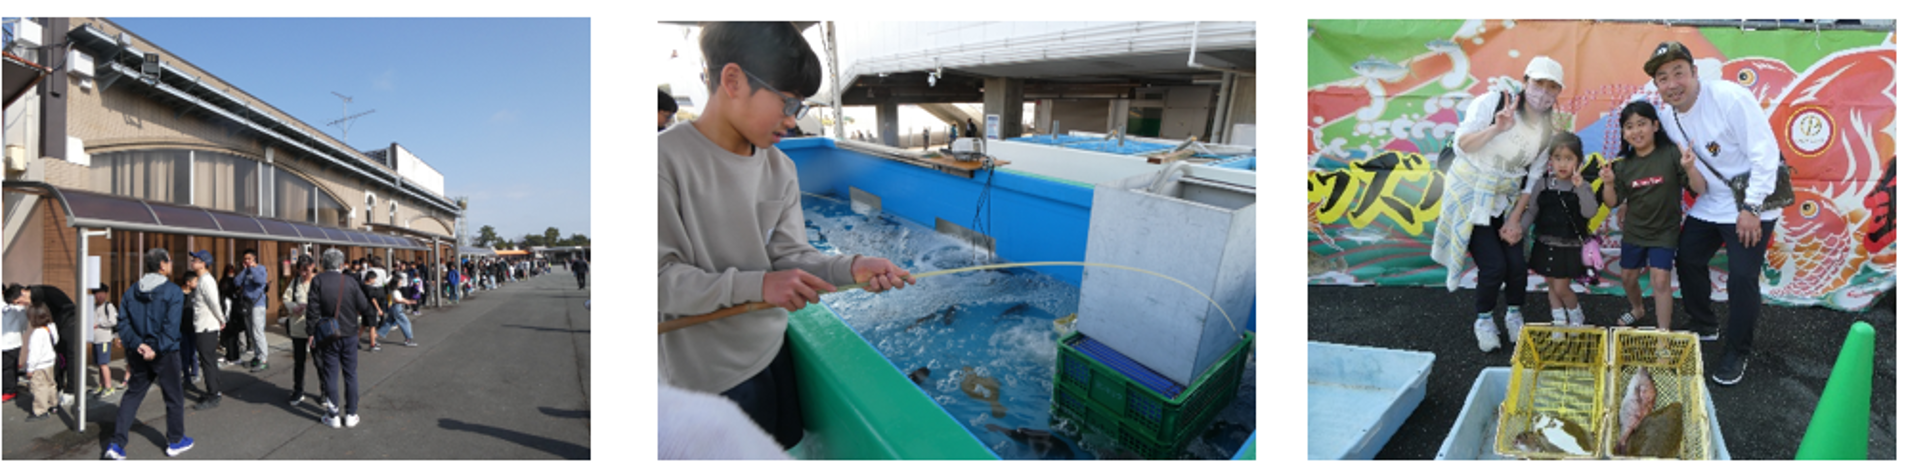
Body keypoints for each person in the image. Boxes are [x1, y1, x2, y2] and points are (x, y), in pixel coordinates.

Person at [659, 22, 916, 449]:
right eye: (788, 103)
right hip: (707, 380)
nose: (793, 121)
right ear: (733, 80)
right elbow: (659, 282)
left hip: (772, 352)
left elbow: (789, 253)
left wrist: (850, 268)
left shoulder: (780, 168)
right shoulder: (663, 163)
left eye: (800, 107)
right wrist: (758, 285)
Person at [1645, 41, 1782, 385]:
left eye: (1679, 72)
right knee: (1688, 257)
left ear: (1694, 72)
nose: (1673, 83)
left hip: (1753, 200)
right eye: (1663, 77)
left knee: (1741, 277)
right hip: (1713, 202)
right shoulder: (1666, 116)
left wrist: (1751, 207)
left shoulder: (1729, 98)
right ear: (1657, 86)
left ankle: (1738, 350)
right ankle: (1705, 323)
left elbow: (1765, 153)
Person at [1431, 55, 1567, 352]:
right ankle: (1483, 320)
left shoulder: (1546, 132)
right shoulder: (1493, 103)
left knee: (1517, 266)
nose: (1543, 93)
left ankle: (1514, 315)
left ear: (1558, 93)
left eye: (1551, 88)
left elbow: (1531, 180)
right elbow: (1462, 145)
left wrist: (1515, 219)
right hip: (1472, 199)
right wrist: (1496, 128)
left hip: (1506, 204)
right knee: (1493, 267)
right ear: (1525, 81)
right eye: (1538, 84)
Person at [1599, 100, 1707, 330]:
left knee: (1660, 279)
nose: (1636, 131)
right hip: (1635, 231)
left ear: (1655, 125)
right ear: (1623, 132)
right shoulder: (1622, 165)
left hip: (1664, 232)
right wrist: (1608, 184)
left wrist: (1690, 168)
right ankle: (1637, 309)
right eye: (1629, 126)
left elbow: (1699, 189)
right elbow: (1612, 202)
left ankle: (1662, 335)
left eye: (1642, 123)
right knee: (1627, 277)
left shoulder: (1671, 154)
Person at [105, 248, 194, 460]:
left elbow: (123, 323)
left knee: (132, 395)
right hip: (166, 353)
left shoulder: (130, 291)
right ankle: (175, 440)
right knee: (173, 397)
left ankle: (117, 444)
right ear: (162, 265)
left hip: (138, 353)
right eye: (170, 261)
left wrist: (139, 345)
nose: (171, 265)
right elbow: (171, 327)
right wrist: (156, 348)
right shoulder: (173, 291)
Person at [1523, 133, 1598, 328]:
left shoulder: (1583, 186)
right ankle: (1558, 319)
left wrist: (1581, 187)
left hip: (1568, 246)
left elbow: (1590, 212)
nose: (1562, 164)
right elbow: (1532, 211)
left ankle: (1576, 318)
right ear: (1550, 160)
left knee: (1561, 287)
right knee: (1551, 284)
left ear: (1579, 161)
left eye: (1568, 158)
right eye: (1557, 158)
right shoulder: (1543, 184)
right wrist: (1518, 229)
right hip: (1545, 243)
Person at [308, 248, 371, 429]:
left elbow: (312, 309)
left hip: (328, 334)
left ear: (323, 263)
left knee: (330, 373)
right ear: (341, 263)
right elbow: (364, 305)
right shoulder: (350, 281)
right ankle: (351, 414)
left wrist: (311, 332)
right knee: (350, 374)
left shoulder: (318, 280)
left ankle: (333, 414)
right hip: (350, 333)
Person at [183, 251, 228, 410]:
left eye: (195, 260)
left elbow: (214, 303)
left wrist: (221, 319)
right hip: (204, 326)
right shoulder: (203, 280)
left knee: (207, 361)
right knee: (209, 360)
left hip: (207, 326)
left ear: (204, 263)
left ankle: (213, 394)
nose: (192, 262)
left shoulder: (206, 281)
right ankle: (214, 391)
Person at [283, 254, 315, 405]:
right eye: (301, 271)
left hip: (315, 328)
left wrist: (310, 308)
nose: (303, 274)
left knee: (320, 361)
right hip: (297, 327)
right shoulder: (295, 282)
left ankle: (325, 392)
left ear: (312, 267)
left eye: (306, 270)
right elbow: (286, 299)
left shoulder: (318, 282)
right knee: (299, 362)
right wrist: (293, 307)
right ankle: (298, 391)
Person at [20, 304, 59, 421]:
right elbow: (56, 341)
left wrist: (30, 369)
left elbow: (34, 353)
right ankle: (53, 404)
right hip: (50, 362)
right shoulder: (51, 327)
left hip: (39, 365)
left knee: (39, 387)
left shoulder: (37, 333)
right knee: (51, 383)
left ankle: (41, 410)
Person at [236, 250, 271, 372]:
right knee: (251, 332)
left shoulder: (261, 269)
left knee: (258, 331)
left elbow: (260, 281)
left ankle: (264, 359)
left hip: (258, 304)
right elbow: (236, 282)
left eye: (249, 258)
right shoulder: (245, 271)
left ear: (254, 258)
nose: (247, 261)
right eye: (245, 259)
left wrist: (251, 269)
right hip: (248, 305)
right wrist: (245, 270)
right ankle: (257, 355)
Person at [89, 285, 127, 399]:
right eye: (96, 293)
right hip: (95, 339)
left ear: (106, 294)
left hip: (104, 339)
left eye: (102, 293)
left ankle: (109, 387)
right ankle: (101, 385)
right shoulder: (94, 307)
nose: (99, 295)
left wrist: (99, 324)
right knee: (99, 364)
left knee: (103, 364)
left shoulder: (109, 306)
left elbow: (113, 321)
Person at [217, 264, 246, 366]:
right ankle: (230, 355)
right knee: (229, 335)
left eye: (232, 270)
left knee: (233, 336)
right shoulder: (226, 281)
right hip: (227, 310)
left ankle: (234, 356)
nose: (231, 272)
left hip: (233, 312)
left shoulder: (233, 281)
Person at [4, 284, 29, 403]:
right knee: (9, 367)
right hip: (12, 341)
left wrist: (20, 333)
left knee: (7, 368)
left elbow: (23, 322)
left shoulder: (14, 306)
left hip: (9, 342)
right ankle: (10, 388)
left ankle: (9, 391)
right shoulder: (17, 306)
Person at [378, 277, 419, 348]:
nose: (401, 283)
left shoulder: (393, 290)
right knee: (406, 323)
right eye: (400, 281)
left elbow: (400, 298)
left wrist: (408, 301)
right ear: (396, 283)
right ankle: (408, 340)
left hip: (394, 309)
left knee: (387, 324)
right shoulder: (395, 291)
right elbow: (397, 300)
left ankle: (374, 336)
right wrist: (406, 301)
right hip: (397, 309)